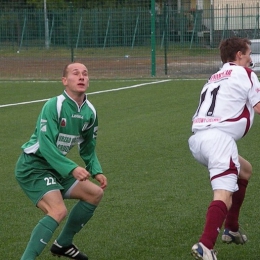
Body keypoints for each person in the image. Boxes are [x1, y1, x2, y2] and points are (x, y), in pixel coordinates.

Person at [15, 62, 107, 260]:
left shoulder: (90, 112)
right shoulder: (54, 105)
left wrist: (96, 170)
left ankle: (63, 244)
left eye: (85, 74)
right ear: (65, 81)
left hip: (56, 168)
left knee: (94, 194)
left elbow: (88, 146)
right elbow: (46, 145)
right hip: (33, 166)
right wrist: (72, 168)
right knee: (57, 210)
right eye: (75, 73)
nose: (81, 77)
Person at [188, 37, 260, 260]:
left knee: (245, 170)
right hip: (219, 140)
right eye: (248, 54)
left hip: (198, 140)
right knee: (223, 194)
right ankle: (205, 245)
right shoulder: (246, 73)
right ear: (239, 55)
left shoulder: (214, 77)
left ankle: (232, 228)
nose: (250, 59)